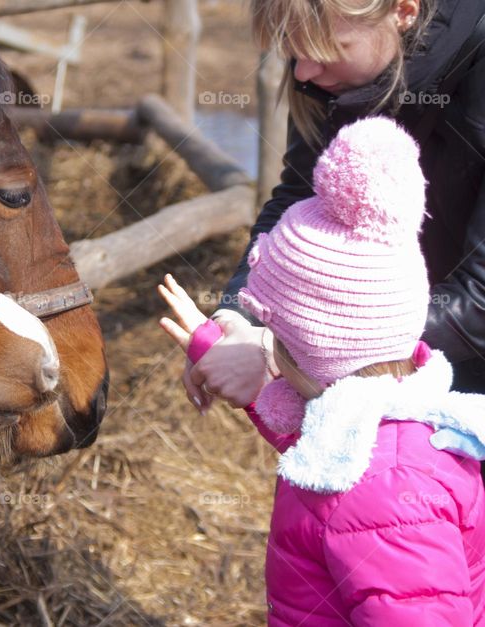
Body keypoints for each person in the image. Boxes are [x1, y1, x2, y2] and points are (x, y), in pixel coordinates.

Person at [160, 116, 485, 624]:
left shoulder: (389, 493)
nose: (264, 347)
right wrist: (214, 344)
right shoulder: (385, 419)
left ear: (308, 351)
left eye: (271, 335)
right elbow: (321, 449)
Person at [187, 0, 485, 411]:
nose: (302, 72)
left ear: (403, 11)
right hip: (377, 376)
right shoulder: (329, 82)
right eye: (292, 49)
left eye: (326, 49)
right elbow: (298, 195)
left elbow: (480, 296)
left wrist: (283, 349)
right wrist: (242, 316)